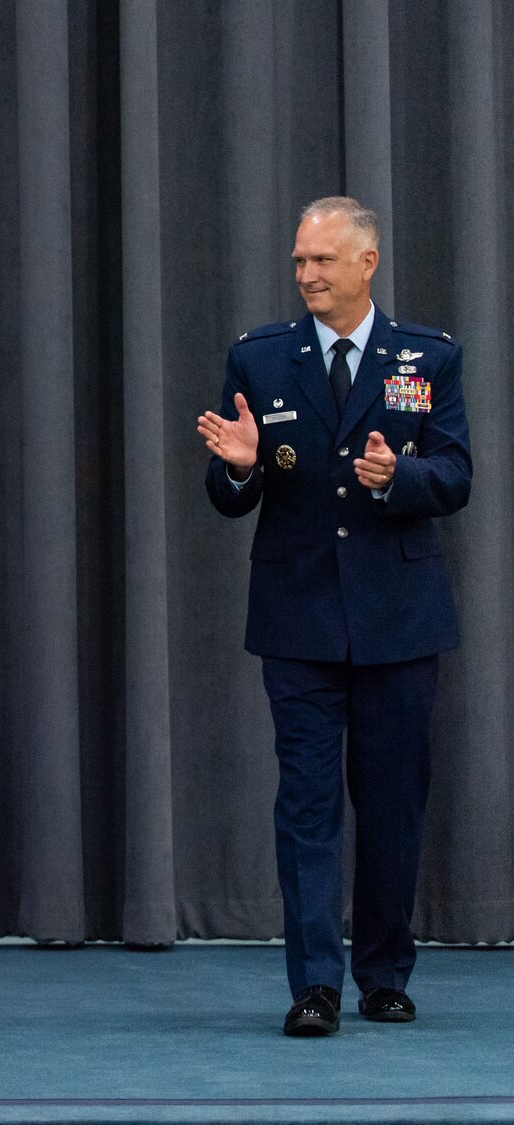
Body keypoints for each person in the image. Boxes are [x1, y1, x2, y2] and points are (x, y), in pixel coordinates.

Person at [197, 197, 471, 1037]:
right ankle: (315, 984)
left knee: (391, 805)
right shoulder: (262, 359)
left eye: (323, 260)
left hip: (398, 620)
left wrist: (402, 481)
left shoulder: (426, 357)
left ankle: (383, 973)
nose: (307, 275)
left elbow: (457, 473)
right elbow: (227, 494)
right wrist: (240, 470)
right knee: (307, 806)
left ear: (367, 262)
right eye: (299, 261)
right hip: (300, 620)